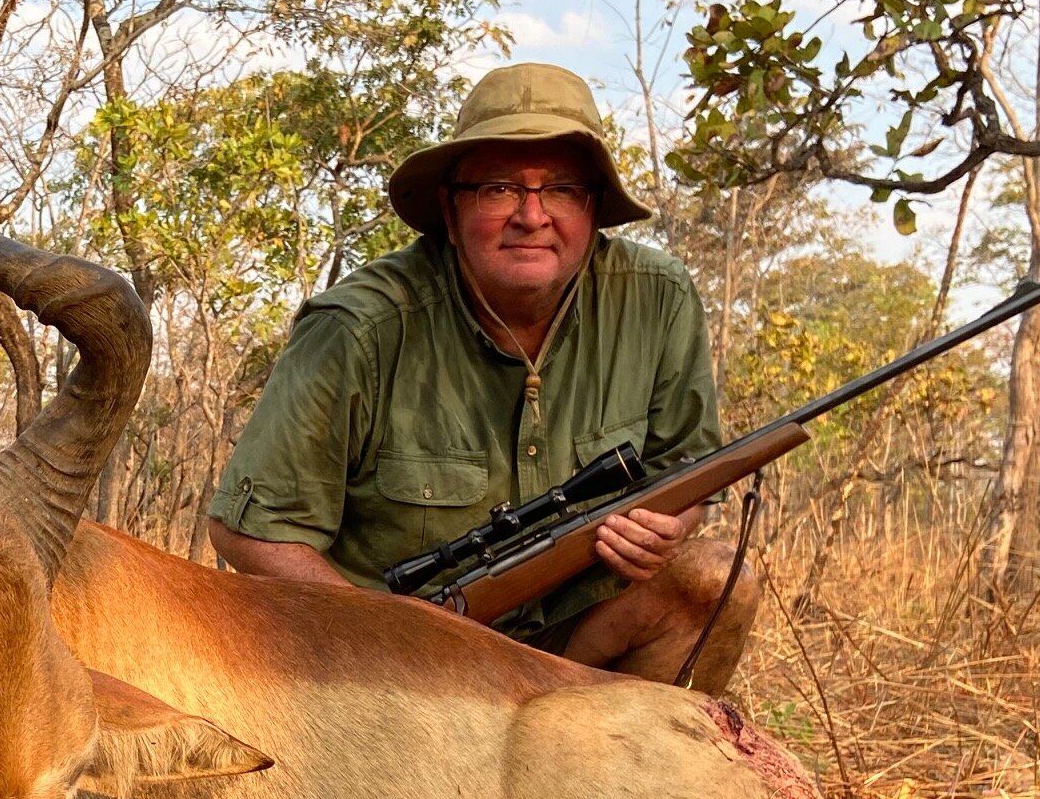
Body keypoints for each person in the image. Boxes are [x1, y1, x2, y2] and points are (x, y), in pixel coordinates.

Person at [206, 63, 760, 693]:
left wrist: (664, 530)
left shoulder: (657, 297)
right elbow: (251, 530)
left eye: (560, 190)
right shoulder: (359, 325)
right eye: (499, 189)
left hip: (568, 635)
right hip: (389, 659)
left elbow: (687, 469)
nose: (531, 215)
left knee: (714, 579)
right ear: (450, 205)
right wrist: (389, 632)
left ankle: (632, 780)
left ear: (594, 206)